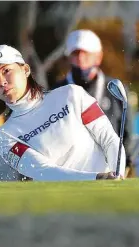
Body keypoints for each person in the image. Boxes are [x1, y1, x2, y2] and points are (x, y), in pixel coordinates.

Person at [0, 44, 125, 181]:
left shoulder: (72, 95)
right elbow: (43, 171)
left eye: (6, 71)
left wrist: (117, 176)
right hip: (60, 204)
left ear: (25, 70)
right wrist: (97, 178)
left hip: (107, 194)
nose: (1, 82)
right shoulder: (4, 136)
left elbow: (110, 140)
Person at [51, 29, 135, 178]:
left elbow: (126, 130)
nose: (81, 59)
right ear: (69, 57)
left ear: (98, 57)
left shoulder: (115, 88)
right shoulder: (58, 90)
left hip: (109, 166)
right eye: (76, 54)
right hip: (71, 168)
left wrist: (125, 162)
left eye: (86, 54)